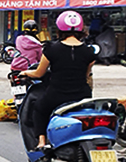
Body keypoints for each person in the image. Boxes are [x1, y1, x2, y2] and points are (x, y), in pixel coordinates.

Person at [21, 11, 96, 150]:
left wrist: (25, 72)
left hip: (56, 94)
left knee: (39, 109)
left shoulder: (51, 49)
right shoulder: (89, 52)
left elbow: (38, 73)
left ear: (59, 29)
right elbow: (86, 76)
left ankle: (41, 142)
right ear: (81, 29)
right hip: (82, 95)